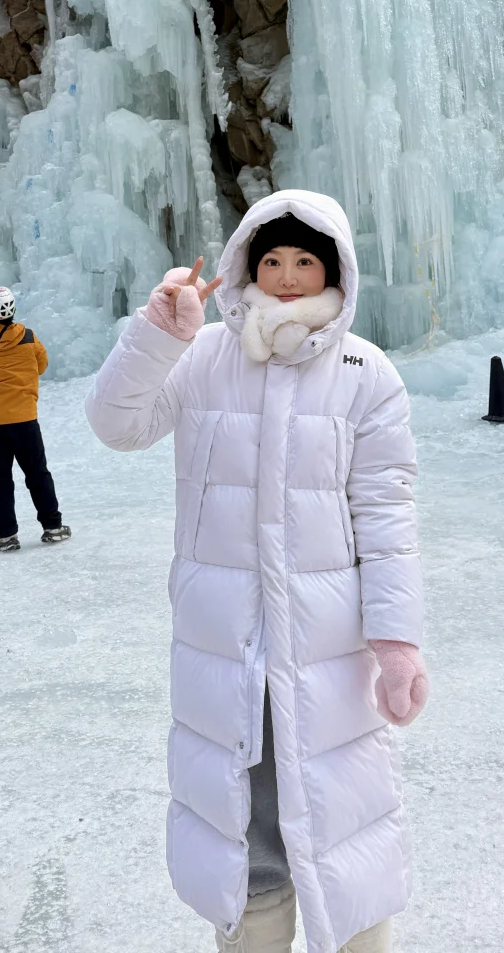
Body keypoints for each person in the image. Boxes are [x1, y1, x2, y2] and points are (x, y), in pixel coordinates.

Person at [85, 192, 428, 953]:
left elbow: (386, 514)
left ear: (335, 271)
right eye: (271, 260)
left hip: (329, 643)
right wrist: (158, 335)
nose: (288, 277)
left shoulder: (365, 372)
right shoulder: (206, 356)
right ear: (247, 265)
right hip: (224, 640)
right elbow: (117, 425)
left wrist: (397, 641)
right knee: (243, 823)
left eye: (305, 260)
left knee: (344, 816)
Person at [0, 286, 71, 551]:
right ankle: (53, 527)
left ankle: (6, 535)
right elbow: (41, 366)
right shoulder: (29, 338)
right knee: (37, 473)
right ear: (13, 308)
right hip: (24, 419)